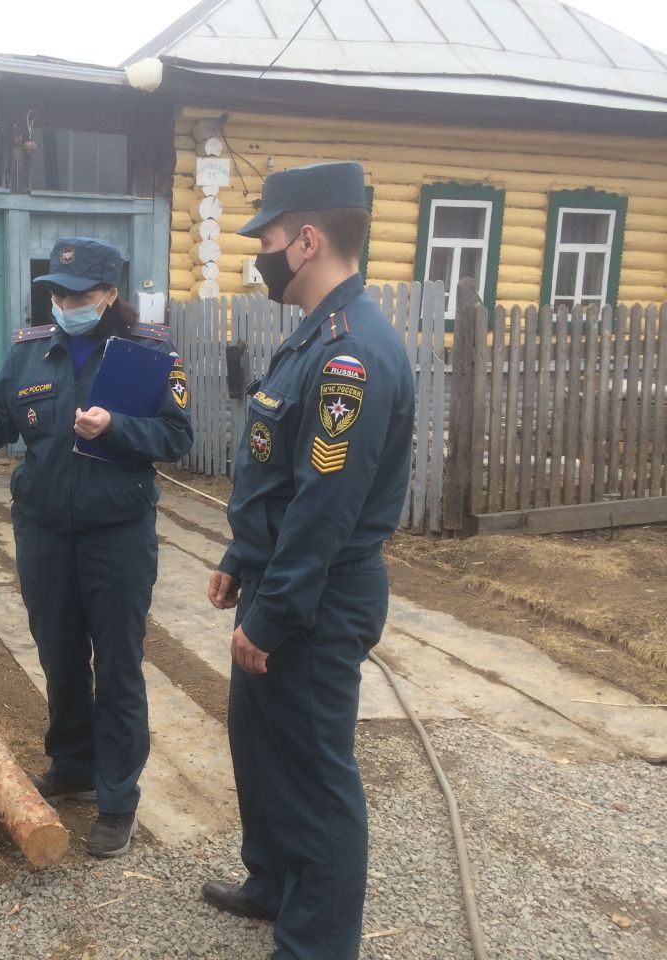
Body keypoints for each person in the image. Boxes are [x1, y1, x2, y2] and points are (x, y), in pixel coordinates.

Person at [201, 162, 415, 959]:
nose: (259, 253)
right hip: (280, 577)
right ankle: (273, 883)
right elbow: (282, 474)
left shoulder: (349, 353)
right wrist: (240, 555)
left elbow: (326, 507)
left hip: (318, 597)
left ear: (308, 240)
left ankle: (317, 944)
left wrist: (275, 616)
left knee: (316, 775)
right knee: (261, 747)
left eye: (267, 238)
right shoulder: (312, 336)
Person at [0, 237, 193, 858]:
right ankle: (75, 765)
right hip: (45, 530)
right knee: (58, 653)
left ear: (108, 295)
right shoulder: (30, 351)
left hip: (118, 534)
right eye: (57, 292)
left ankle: (118, 797)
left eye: (79, 295)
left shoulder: (148, 354)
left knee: (119, 665)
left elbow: (176, 436)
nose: (65, 304)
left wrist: (117, 427)